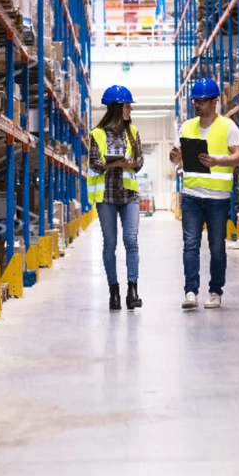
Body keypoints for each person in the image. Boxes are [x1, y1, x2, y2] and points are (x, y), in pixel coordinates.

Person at [169, 76, 239, 310]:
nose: (197, 105)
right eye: (195, 101)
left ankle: (215, 292)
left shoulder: (228, 126)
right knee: (190, 244)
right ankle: (190, 292)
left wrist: (218, 160)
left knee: (216, 248)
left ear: (214, 102)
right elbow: (176, 160)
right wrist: (175, 156)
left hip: (217, 199)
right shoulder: (187, 127)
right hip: (192, 194)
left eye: (202, 101)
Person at [89, 85, 144, 310]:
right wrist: (115, 164)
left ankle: (133, 290)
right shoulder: (97, 134)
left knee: (131, 241)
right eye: (127, 106)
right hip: (107, 195)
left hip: (129, 194)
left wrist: (131, 164)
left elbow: (139, 162)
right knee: (110, 244)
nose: (130, 110)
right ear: (116, 107)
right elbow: (95, 163)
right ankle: (114, 292)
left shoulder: (134, 133)